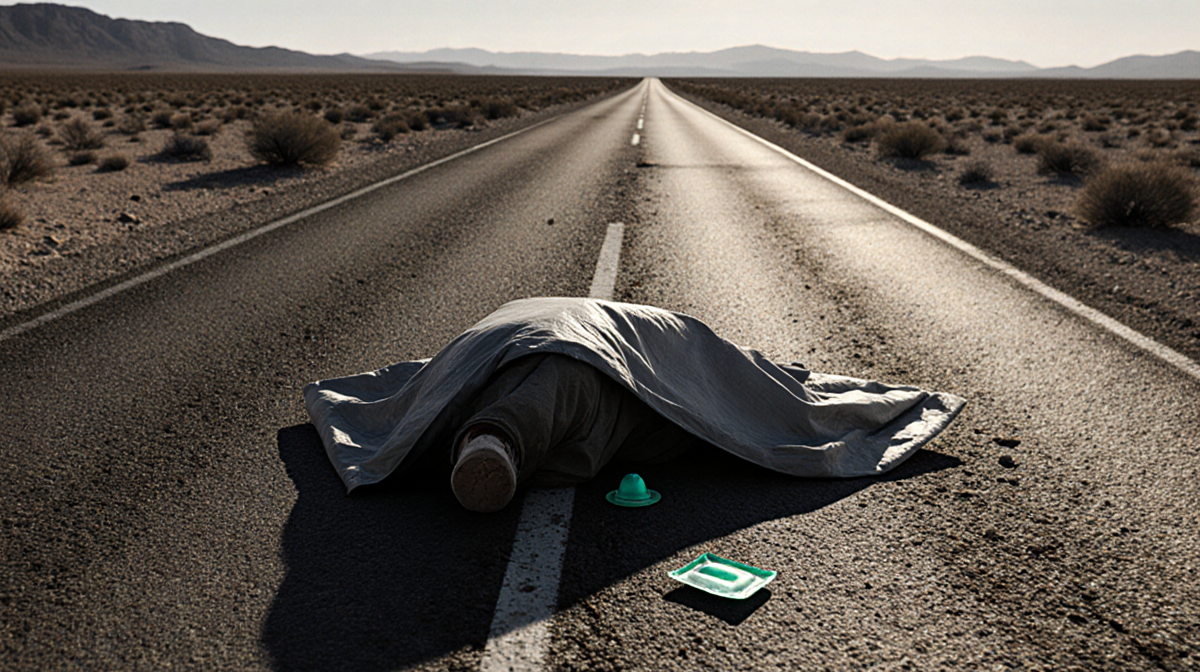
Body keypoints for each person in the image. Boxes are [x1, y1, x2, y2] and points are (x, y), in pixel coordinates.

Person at [305, 297, 965, 512]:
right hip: (542, 362)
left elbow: (743, 375)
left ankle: (493, 442)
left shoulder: (643, 335)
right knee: (568, 379)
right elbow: (747, 377)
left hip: (530, 363)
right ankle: (496, 442)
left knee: (569, 392)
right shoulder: (661, 328)